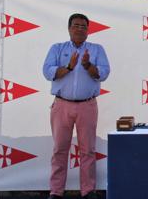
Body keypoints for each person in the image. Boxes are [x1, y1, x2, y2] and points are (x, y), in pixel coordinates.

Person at [42, 13, 110, 199]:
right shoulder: (57, 48)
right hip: (61, 105)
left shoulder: (97, 50)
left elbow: (103, 74)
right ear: (69, 28)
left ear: (88, 30)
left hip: (87, 106)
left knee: (87, 149)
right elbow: (48, 72)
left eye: (83, 26)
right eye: (76, 25)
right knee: (59, 149)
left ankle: (88, 191)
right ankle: (56, 191)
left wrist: (88, 65)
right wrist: (70, 67)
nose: (79, 29)